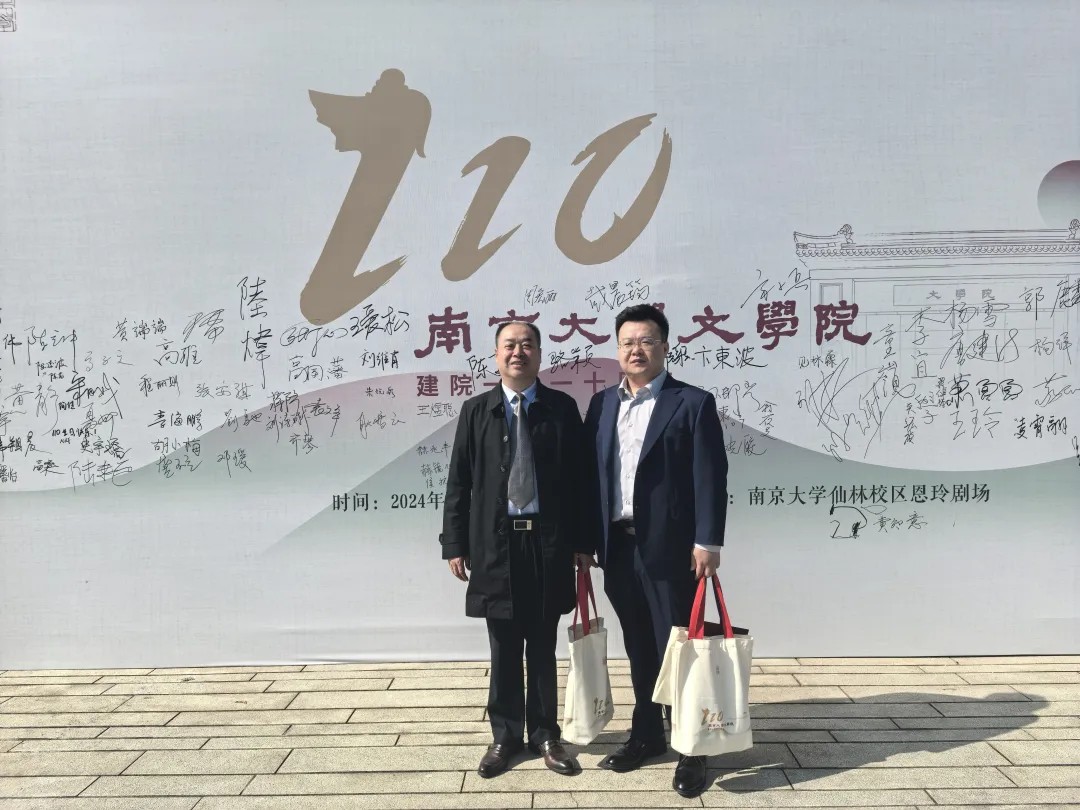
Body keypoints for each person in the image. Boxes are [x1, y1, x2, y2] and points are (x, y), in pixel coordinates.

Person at [582, 303, 729, 799]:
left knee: (681, 648)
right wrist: (585, 542)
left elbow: (710, 476)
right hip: (618, 548)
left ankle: (693, 747)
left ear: (665, 347)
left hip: (672, 550)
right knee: (639, 646)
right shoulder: (602, 405)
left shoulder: (691, 403)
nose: (636, 350)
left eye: (646, 341)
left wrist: (707, 541)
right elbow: (590, 479)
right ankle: (647, 733)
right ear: (617, 349)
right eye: (627, 342)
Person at [441, 321, 589, 779]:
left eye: (527, 345)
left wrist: (583, 543)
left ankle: (546, 735)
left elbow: (581, 480)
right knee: (503, 644)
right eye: (509, 345)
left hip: (547, 543)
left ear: (540, 354)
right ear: (496, 354)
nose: (518, 352)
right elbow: (459, 482)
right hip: (494, 542)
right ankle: (504, 737)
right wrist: (455, 544)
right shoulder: (476, 410)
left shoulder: (561, 408)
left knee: (542, 642)